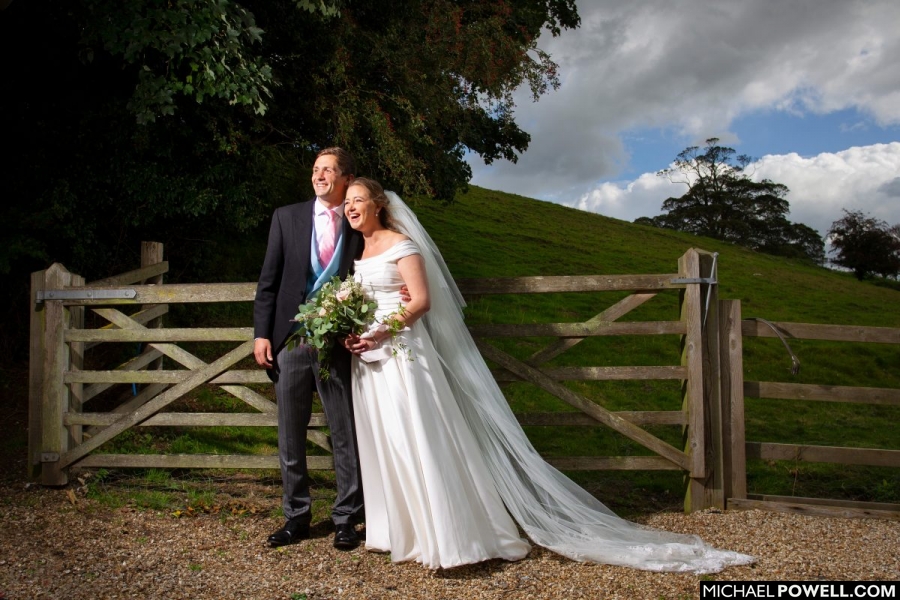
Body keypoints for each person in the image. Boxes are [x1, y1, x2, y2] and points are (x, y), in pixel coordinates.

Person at [341, 177, 756, 572]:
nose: (351, 207)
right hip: (370, 360)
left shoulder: (403, 245)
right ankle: (405, 532)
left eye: (358, 199)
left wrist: (378, 332)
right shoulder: (359, 253)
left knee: (419, 437)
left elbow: (423, 302)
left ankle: (451, 535)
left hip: (404, 358)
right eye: (347, 203)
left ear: (379, 204)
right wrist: (353, 332)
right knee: (388, 441)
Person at [253, 147, 365, 550]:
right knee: (289, 434)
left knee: (345, 432)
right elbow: (268, 281)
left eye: (328, 170)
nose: (319, 176)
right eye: (316, 169)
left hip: (338, 343)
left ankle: (347, 518)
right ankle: (296, 517)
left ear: (346, 178)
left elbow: (382, 264)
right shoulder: (287, 217)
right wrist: (262, 334)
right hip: (290, 339)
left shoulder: (360, 219)